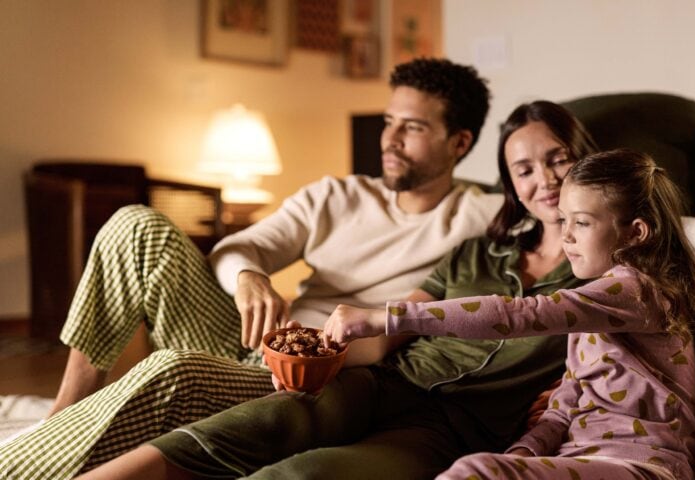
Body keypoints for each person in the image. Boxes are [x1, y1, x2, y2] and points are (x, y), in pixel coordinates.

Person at [73, 102, 695, 480]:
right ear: (505, 185)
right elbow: (399, 334)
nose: (543, 181)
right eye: (523, 170)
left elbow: (662, 243)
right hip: (381, 381)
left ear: (586, 168)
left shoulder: (613, 276)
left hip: (454, 429)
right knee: (249, 423)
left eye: (559, 162)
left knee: (307, 471)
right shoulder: (483, 239)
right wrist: (322, 349)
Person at [0, 58, 502, 479]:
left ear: (459, 142)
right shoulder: (338, 195)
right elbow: (240, 248)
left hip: (310, 375)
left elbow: (557, 208)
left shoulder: (481, 217)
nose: (391, 139)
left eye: (412, 127)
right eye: (390, 121)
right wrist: (250, 277)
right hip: (254, 340)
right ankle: (61, 416)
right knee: (136, 225)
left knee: (173, 371)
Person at [323, 148, 695, 480]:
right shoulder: (599, 310)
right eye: (564, 220)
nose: (566, 234)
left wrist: (387, 317)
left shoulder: (636, 291)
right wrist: (522, 453)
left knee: (474, 471)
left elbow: (518, 314)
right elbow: (567, 401)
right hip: (580, 460)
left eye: (582, 223)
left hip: (639, 467)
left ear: (636, 233)